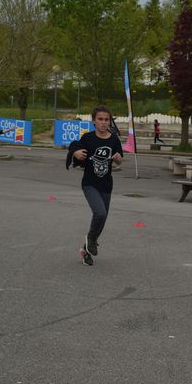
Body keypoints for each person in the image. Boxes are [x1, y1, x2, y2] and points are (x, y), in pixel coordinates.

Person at [66, 106, 123, 266]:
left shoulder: (114, 139)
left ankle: (86, 250)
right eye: (100, 119)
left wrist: (118, 159)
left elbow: (119, 159)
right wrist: (76, 153)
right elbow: (74, 146)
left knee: (102, 219)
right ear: (94, 121)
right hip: (90, 183)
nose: (103, 122)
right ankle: (91, 239)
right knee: (100, 213)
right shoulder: (88, 138)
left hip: (106, 185)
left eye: (106, 119)